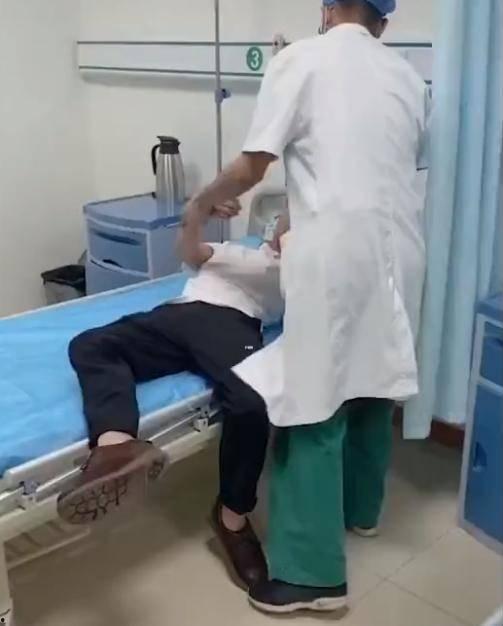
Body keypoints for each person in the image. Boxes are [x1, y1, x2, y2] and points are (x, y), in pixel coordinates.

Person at [184, 0, 430, 615]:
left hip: (337, 259)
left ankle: (311, 576)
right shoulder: (407, 78)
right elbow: (365, 170)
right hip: (401, 252)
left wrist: (200, 203)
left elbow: (252, 166)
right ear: (383, 21)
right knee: (372, 382)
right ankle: (360, 511)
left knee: (312, 402)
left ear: (326, 9)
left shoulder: (301, 60)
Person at [57, 202, 285, 590]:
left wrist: (301, 254)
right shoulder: (237, 251)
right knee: (90, 344)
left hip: (231, 323)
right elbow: (191, 250)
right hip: (175, 315)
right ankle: (115, 449)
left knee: (251, 403)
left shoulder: (298, 272)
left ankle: (232, 517)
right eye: (287, 222)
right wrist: (197, 212)